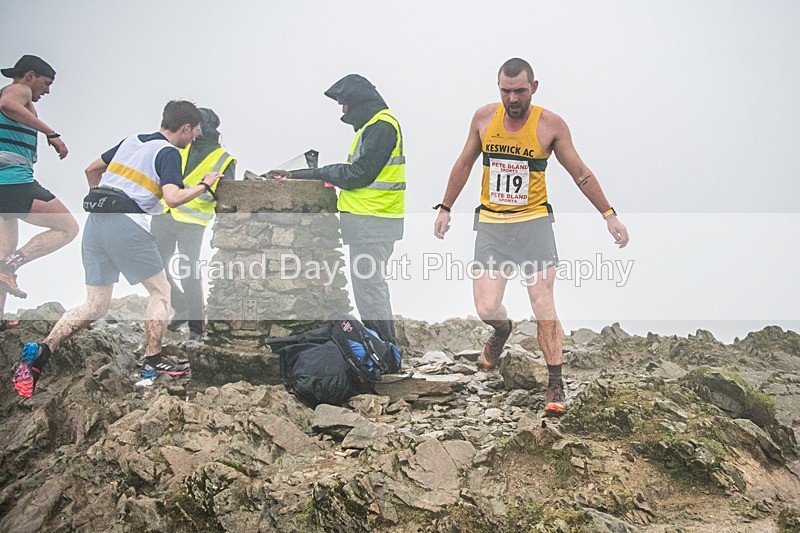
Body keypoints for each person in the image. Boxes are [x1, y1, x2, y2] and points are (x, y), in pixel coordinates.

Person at [433, 58, 629, 416]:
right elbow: (464, 163)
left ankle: (555, 380)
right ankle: (502, 329)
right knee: (486, 307)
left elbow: (581, 174)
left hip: (534, 224)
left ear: (533, 88)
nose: (513, 99)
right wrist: (445, 207)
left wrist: (609, 215)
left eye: (520, 91)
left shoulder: (550, 125)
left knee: (542, 301)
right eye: (506, 91)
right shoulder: (483, 119)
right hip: (492, 225)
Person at [12, 100, 223, 398]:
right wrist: (204, 185)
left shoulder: (132, 141)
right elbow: (173, 198)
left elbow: (91, 169)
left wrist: (103, 203)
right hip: (127, 224)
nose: (194, 139)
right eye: (194, 132)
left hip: (96, 223)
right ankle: (153, 360)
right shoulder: (169, 153)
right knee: (160, 291)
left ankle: (41, 353)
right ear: (186, 127)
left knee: (95, 306)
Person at [268, 74, 405, 345]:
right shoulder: (375, 126)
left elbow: (358, 174)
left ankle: (385, 352)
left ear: (359, 102)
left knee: (370, 290)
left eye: (345, 104)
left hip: (374, 221)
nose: (343, 111)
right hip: (370, 221)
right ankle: (383, 349)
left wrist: (315, 173)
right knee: (369, 288)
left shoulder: (381, 127)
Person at [0, 55, 79, 332]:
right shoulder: (18, 90)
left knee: (2, 253)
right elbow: (7, 104)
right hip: (12, 182)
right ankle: (13, 265)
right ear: (29, 75)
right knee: (68, 228)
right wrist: (51, 133)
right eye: (45, 84)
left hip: (4, 183)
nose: (47, 91)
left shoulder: (21, 96)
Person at [151, 108, 236, 342]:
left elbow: (226, 194)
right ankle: (183, 308)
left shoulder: (223, 158)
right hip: (165, 213)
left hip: (192, 220)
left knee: (188, 273)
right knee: (155, 268)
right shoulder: (181, 145)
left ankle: (197, 329)